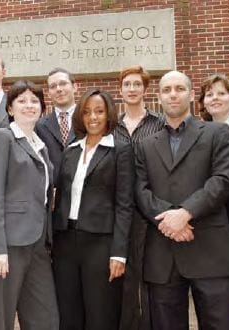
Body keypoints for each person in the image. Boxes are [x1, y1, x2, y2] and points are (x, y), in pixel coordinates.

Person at [136, 70, 229, 329]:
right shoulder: (145, 144)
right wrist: (169, 220)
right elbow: (140, 190)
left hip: (209, 247)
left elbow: (223, 179)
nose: (173, 94)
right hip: (163, 254)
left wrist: (185, 213)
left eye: (180, 89)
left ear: (192, 95)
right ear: (158, 96)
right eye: (166, 90)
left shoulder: (216, 133)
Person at [52, 88, 135, 330]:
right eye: (87, 112)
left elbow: (125, 204)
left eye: (99, 111)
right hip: (66, 242)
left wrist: (119, 253)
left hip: (101, 244)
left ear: (108, 115)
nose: (93, 117)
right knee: (68, 314)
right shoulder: (71, 150)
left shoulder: (120, 150)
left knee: (101, 314)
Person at [0, 80, 59, 330]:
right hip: (9, 244)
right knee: (1, 318)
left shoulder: (41, 145)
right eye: (22, 100)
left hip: (38, 244)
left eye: (35, 101)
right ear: (10, 109)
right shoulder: (2, 137)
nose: (29, 105)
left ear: (42, 107)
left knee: (45, 317)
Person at [115, 65, 164, 330]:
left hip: (150, 210)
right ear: (120, 89)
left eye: (137, 84)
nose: (132, 89)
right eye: (127, 84)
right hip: (119, 211)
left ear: (145, 89)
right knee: (123, 276)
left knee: (149, 275)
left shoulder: (159, 123)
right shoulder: (113, 126)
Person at [199, 73, 229, 290]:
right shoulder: (199, 133)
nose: (215, 98)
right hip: (207, 221)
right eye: (209, 95)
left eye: (221, 93)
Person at [35, 67, 77, 185]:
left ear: (75, 87)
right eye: (53, 86)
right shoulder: (39, 125)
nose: (58, 89)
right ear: (49, 93)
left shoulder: (88, 120)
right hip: (53, 195)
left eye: (63, 83)